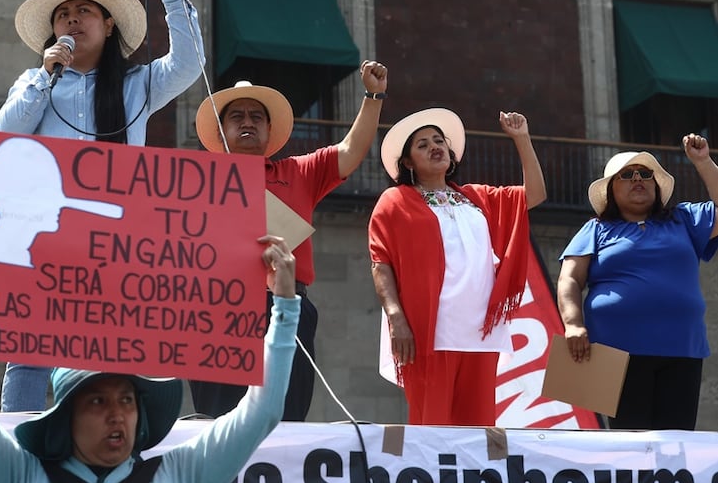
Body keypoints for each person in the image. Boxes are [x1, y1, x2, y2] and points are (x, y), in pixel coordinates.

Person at [0, 224, 299, 483]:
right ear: (66, 416)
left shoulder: (181, 476)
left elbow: (262, 411)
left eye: (127, 400)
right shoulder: (21, 478)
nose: (118, 415)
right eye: (98, 402)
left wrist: (284, 305)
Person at [0, 0, 206, 411]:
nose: (72, 18)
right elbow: (6, 133)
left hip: (113, 245)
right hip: (43, 238)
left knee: (102, 357)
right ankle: (19, 452)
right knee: (28, 354)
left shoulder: (137, 85)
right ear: (53, 32)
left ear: (108, 26)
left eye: (84, 10)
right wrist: (45, 76)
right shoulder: (34, 82)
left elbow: (189, 65)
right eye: (63, 13)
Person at [187, 60, 387, 421]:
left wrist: (373, 96)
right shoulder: (193, 181)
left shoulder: (298, 172)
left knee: (287, 419)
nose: (247, 122)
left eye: (256, 117)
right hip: (215, 311)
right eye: (237, 117)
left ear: (268, 130)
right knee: (217, 423)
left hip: (285, 307)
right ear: (221, 131)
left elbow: (350, 151)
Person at [368, 107, 546, 426]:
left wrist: (522, 139)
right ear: (407, 162)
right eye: (422, 145)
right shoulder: (395, 201)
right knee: (431, 428)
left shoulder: (477, 198)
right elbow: (381, 263)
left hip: (480, 332)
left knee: (477, 429)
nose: (435, 147)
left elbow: (534, 195)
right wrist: (397, 319)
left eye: (439, 141)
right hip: (429, 331)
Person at [557, 137, 718, 430]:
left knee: (676, 444)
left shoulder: (684, 219)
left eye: (645, 174)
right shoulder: (595, 229)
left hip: (682, 349)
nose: (637, 180)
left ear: (656, 187)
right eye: (626, 175)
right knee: (630, 445)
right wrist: (573, 324)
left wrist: (703, 162)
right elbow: (569, 278)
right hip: (614, 353)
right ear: (610, 189)